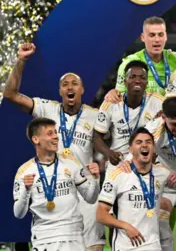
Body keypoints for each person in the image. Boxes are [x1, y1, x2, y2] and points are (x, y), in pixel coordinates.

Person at [4, 43, 105, 250]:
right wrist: (21, 60)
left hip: (86, 187)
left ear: (82, 89)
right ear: (59, 91)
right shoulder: (46, 109)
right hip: (57, 190)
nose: (70, 87)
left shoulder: (95, 116)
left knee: (93, 246)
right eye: (65, 84)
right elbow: (10, 94)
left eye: (74, 83)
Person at [118, 96, 176, 250]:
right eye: (174, 124)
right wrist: (126, 163)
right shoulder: (153, 129)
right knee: (161, 222)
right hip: (169, 183)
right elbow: (133, 154)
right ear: (163, 117)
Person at [14, 117, 100, 251]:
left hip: (74, 237)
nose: (56, 137)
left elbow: (91, 198)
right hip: (44, 239)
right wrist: (26, 190)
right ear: (36, 139)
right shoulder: (24, 171)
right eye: (50, 134)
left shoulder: (71, 163)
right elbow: (18, 213)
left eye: (55, 132)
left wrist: (94, 180)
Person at [96, 129, 176, 251]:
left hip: (153, 246)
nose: (144, 145)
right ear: (131, 150)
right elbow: (101, 214)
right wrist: (125, 226)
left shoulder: (162, 173)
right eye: (139, 142)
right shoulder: (118, 175)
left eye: (148, 142)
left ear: (153, 149)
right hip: (125, 246)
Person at [94, 61, 163, 172]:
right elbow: (96, 136)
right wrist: (109, 153)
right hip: (118, 161)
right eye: (132, 77)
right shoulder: (111, 103)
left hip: (147, 161)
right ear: (125, 82)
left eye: (142, 77)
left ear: (146, 82)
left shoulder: (158, 102)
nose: (137, 80)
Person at [107, 16, 176, 99]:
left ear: (166, 37)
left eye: (160, 35)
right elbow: (119, 98)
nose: (157, 39)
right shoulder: (129, 63)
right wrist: (113, 94)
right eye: (152, 35)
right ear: (143, 37)